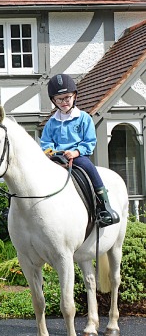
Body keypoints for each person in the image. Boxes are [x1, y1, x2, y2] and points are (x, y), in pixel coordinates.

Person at [40, 73, 120, 227]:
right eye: (59, 99)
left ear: (74, 96)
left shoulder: (84, 118)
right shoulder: (51, 122)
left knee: (90, 168)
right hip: (56, 158)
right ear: (53, 101)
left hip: (77, 157)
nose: (64, 102)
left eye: (67, 97)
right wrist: (52, 152)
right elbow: (45, 143)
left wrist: (76, 152)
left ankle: (104, 206)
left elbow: (90, 141)